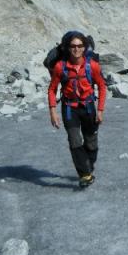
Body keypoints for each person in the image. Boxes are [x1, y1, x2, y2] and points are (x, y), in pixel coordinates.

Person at [48, 31, 107, 187]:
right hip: (69, 109)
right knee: (74, 140)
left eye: (80, 46)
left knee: (91, 142)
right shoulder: (60, 67)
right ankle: (84, 175)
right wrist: (53, 112)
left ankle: (88, 165)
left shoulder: (92, 66)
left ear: (84, 47)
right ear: (67, 48)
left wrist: (100, 110)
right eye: (73, 46)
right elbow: (52, 89)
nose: (76, 49)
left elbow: (102, 86)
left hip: (88, 107)